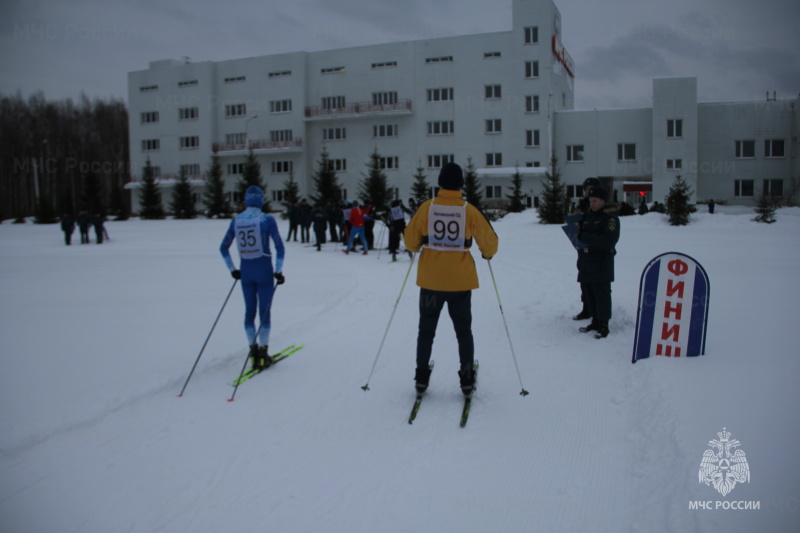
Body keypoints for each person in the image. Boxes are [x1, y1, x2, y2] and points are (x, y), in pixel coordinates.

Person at [404, 162, 499, 395]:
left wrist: (418, 245)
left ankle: (421, 379)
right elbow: (490, 243)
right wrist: (487, 253)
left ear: (440, 183)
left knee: (426, 331)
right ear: (461, 185)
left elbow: (409, 241)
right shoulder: (469, 209)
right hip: (460, 284)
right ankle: (467, 380)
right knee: (463, 332)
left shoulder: (427, 207)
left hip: (430, 284)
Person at [220, 185, 286, 370]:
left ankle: (253, 351)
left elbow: (223, 248)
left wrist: (233, 269)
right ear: (261, 200)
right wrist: (279, 272)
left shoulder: (236, 220)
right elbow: (280, 247)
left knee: (249, 312)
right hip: (264, 269)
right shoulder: (266, 220)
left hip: (246, 270)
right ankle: (264, 353)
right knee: (265, 312)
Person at [575, 186, 620, 339]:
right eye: (590, 201)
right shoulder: (590, 216)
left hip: (601, 261)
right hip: (587, 260)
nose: (592, 204)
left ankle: (603, 323)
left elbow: (608, 241)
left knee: (601, 293)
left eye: (595, 201)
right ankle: (595, 320)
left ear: (603, 201)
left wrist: (584, 236)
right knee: (590, 292)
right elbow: (581, 232)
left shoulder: (610, 218)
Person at [572, 177, 600, 321]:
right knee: (584, 278)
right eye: (587, 189)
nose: (589, 192)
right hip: (582, 246)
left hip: (597, 248)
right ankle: (586, 308)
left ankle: (599, 311)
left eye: (592, 189)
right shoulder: (583, 204)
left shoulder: (601, 205)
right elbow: (577, 222)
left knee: (597, 281)